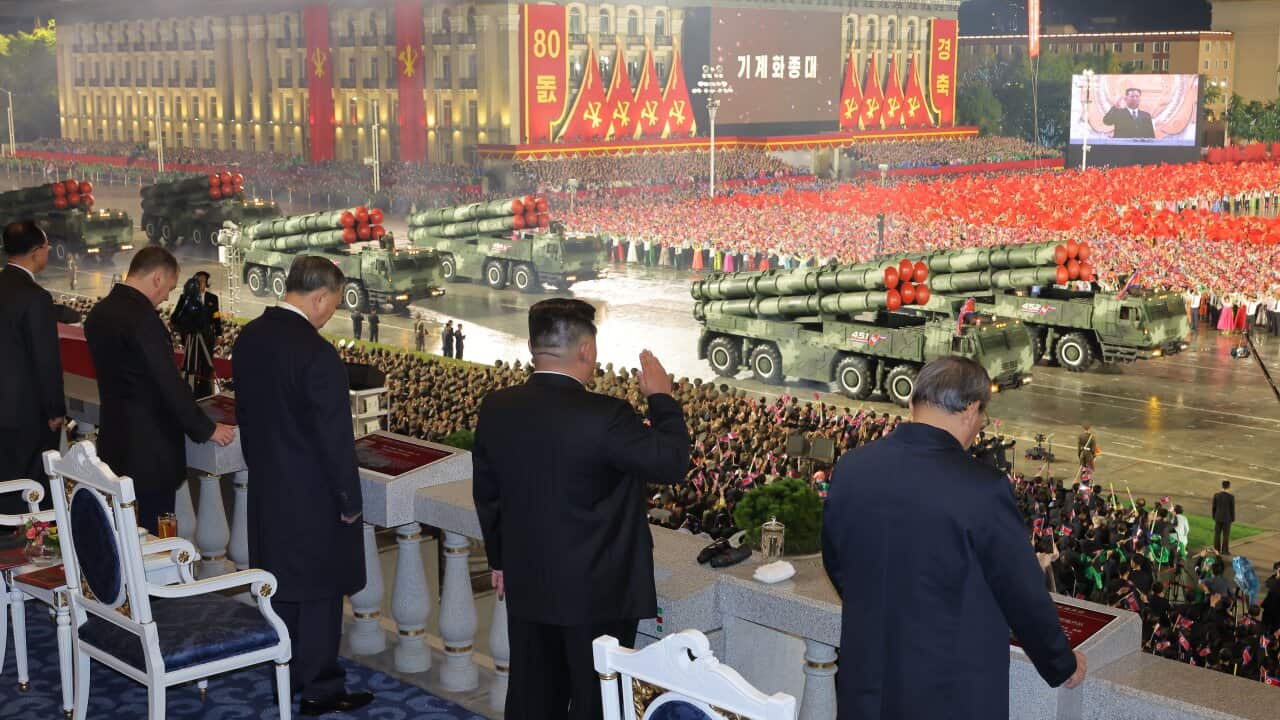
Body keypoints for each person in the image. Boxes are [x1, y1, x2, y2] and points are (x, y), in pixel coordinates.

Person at [821, 357, 1084, 719]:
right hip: (947, 690)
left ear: (913, 403)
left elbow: (837, 562)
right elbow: (1021, 592)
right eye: (981, 418)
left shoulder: (852, 466)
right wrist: (1061, 663)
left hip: (867, 677)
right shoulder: (982, 488)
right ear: (971, 409)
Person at [472, 298, 689, 719]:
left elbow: (489, 493)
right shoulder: (606, 415)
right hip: (599, 592)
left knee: (533, 696)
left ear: (533, 345)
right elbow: (671, 462)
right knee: (595, 702)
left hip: (528, 581)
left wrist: (499, 560)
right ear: (587, 351)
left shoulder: (497, 406)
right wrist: (662, 398)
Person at [232, 256, 373, 715]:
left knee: (283, 586)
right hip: (314, 496)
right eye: (332, 303)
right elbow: (335, 440)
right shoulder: (316, 353)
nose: (330, 312)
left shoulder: (250, 337)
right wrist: (350, 500)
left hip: (270, 486)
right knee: (320, 593)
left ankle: (285, 672)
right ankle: (321, 687)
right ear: (320, 297)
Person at [84, 247, 235, 532]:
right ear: (156, 278)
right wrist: (207, 429)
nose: (167, 296)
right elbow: (166, 382)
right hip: (150, 450)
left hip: (115, 438)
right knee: (153, 535)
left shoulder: (100, 313)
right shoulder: (142, 319)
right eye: (168, 288)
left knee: (123, 532)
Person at [0, 221, 65, 513]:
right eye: (47, 246)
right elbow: (46, 359)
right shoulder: (35, 297)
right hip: (26, 415)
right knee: (30, 489)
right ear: (37, 251)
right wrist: (54, 410)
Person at [170, 270, 222, 398]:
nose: (201, 284)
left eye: (203, 281)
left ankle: (205, 391)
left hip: (207, 337)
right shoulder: (185, 298)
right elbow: (176, 316)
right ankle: (188, 392)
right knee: (190, 365)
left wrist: (219, 334)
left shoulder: (212, 298)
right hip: (191, 337)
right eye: (198, 281)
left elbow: (216, 317)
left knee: (206, 365)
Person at [1212, 480, 1235, 555]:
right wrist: (1233, 518)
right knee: (1226, 535)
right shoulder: (1231, 497)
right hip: (1227, 519)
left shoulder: (1216, 495)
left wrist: (1214, 516)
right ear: (1229, 487)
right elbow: (1232, 509)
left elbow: (1214, 507)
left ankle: (1216, 549)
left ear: (1222, 486)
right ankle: (1225, 550)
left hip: (1218, 517)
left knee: (1217, 534)